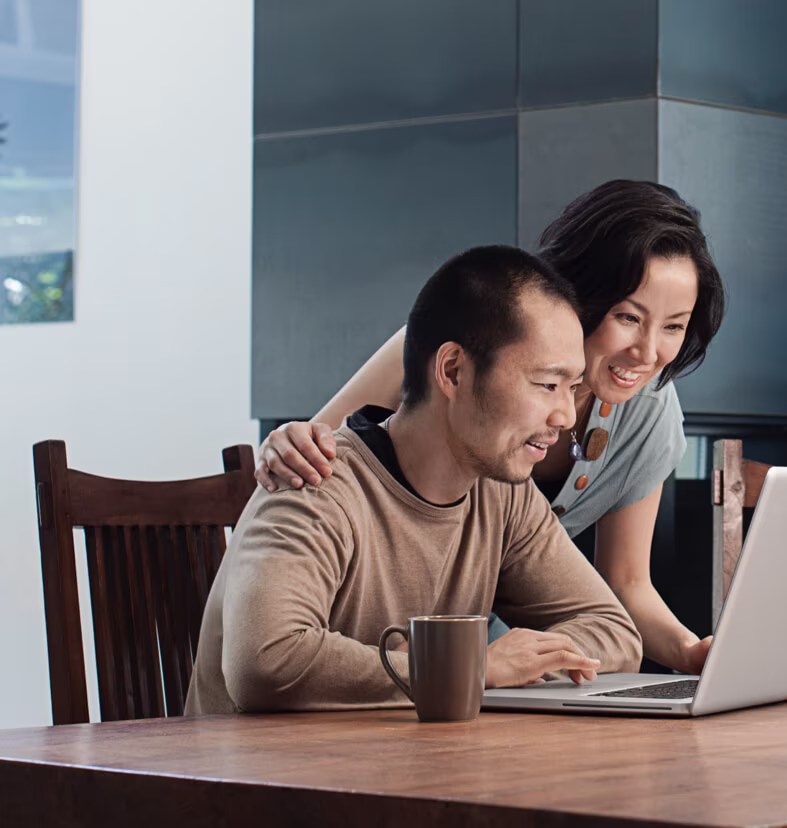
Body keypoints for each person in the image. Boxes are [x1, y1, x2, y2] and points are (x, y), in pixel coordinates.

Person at [258, 180, 725, 675]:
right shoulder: (462, 347)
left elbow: (626, 585)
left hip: (491, 654)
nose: (648, 352)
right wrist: (285, 445)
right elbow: (320, 455)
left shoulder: (644, 412)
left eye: (674, 326)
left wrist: (691, 653)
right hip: (383, 648)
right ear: (576, 294)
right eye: (628, 316)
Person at [185, 245, 642, 715]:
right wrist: (473, 668)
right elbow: (265, 662)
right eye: (547, 384)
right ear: (453, 371)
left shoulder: (503, 495)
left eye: (572, 387)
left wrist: (519, 661)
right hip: (259, 781)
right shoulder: (312, 478)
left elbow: (614, 632)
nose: (566, 415)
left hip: (396, 771)